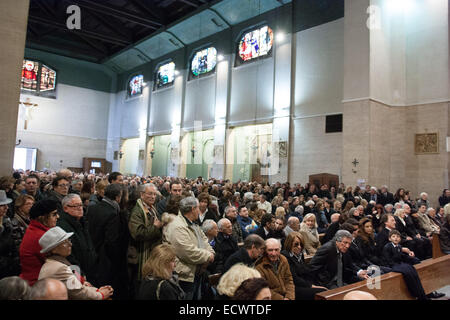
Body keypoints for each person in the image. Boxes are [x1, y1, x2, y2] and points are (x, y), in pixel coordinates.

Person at [38, 226, 114, 300]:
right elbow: (78, 292)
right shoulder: (59, 268)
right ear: (53, 249)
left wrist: (96, 290)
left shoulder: (56, 263)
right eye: (65, 242)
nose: (70, 244)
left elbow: (78, 287)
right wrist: (100, 294)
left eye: (69, 240)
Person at [163, 196, 215, 300]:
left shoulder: (192, 223)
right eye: (198, 208)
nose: (199, 211)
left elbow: (205, 240)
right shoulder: (177, 226)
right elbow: (187, 252)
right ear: (192, 209)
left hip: (195, 272)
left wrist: (211, 252)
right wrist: (208, 256)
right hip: (184, 276)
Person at [87, 183, 129, 299]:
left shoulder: (93, 207)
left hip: (91, 253)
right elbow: (111, 241)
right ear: (118, 197)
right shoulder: (112, 213)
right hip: (105, 259)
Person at [57, 194, 98, 284]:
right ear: (65, 208)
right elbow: (68, 256)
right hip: (77, 275)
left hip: (90, 270)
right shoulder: (63, 227)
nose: (80, 208)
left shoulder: (81, 222)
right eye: (75, 206)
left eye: (81, 205)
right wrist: (80, 275)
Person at [19, 199, 59, 285]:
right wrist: (79, 279)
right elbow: (59, 264)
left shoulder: (35, 229)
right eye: (54, 214)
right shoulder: (41, 236)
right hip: (38, 285)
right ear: (43, 217)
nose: (58, 217)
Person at [128, 183, 162, 282]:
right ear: (142, 195)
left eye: (155, 194)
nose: (153, 197)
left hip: (151, 251)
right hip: (140, 254)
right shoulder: (137, 211)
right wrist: (155, 227)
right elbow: (138, 234)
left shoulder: (151, 208)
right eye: (150, 194)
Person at [381, 230, 428, 300]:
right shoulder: (387, 247)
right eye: (393, 236)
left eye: (397, 236)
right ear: (389, 239)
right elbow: (388, 260)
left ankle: (421, 294)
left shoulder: (399, 246)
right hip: (392, 265)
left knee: (411, 268)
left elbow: (402, 256)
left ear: (400, 239)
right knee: (406, 270)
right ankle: (415, 293)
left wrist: (410, 256)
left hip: (399, 263)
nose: (396, 238)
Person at [281, 232, 327, 300]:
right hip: (293, 287)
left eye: (301, 244)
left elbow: (305, 272)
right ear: (289, 244)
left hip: (303, 284)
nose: (299, 247)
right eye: (296, 244)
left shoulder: (299, 254)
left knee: (323, 286)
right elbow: (294, 278)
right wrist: (311, 286)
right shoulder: (285, 256)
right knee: (322, 292)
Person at [0, 190, 21, 279]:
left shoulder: (6, 223)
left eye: (6, 205)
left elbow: (12, 246)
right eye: (2, 205)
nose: (6, 208)